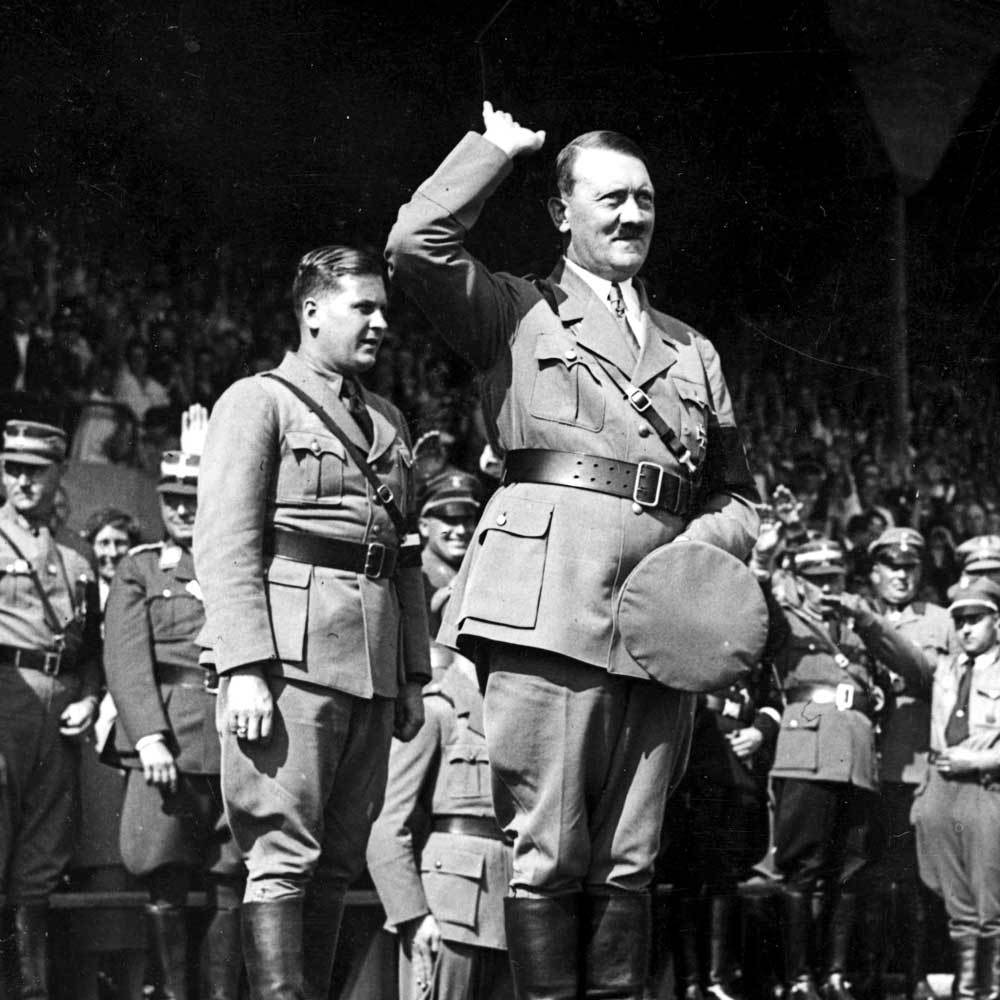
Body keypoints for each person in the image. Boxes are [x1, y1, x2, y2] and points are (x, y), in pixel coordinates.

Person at [386, 102, 759, 998]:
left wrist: (690, 558)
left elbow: (738, 496)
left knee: (631, 858)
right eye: (610, 199)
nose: (632, 216)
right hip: (550, 608)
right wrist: (494, 153)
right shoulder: (516, 311)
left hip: (664, 626)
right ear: (561, 212)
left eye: (645, 200)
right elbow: (413, 247)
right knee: (549, 851)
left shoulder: (693, 351)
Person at [193, 245, 431, 1000]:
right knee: (281, 853)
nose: (380, 323)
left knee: (338, 860)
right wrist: (242, 666)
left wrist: (413, 674)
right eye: (364, 307)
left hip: (372, 667)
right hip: (289, 664)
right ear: (312, 312)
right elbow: (225, 543)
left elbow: (405, 556)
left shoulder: (387, 419)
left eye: (384, 309)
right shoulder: (257, 401)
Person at [103, 409, 244, 1000]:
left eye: (193, 498)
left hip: (232, 738)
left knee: (229, 878)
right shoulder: (140, 568)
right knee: (163, 878)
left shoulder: (236, 564)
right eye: (172, 499)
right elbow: (126, 660)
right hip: (169, 743)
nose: (183, 509)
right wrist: (149, 737)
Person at [752, 537, 930, 1000]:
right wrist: (765, 564)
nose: (827, 588)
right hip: (808, 755)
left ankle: (834, 976)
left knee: (848, 869)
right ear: (800, 582)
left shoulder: (860, 627)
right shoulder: (788, 620)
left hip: (856, 760)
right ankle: (798, 978)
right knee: (803, 870)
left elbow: (915, 667)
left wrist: (865, 618)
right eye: (817, 580)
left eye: (835, 578)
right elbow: (760, 612)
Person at [367, 470, 514, 1000]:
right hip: (446, 910)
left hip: (509, 911)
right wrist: (412, 915)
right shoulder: (437, 711)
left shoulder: (515, 715)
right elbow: (389, 825)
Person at [0, 419, 101, 999]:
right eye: (12, 469)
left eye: (35, 471)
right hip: (6, 707)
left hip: (59, 713)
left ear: (60, 473)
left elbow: (92, 647)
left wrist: (89, 697)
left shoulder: (78, 556)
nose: (22, 481)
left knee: (40, 861)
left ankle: (31, 992)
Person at [863, 528, 956, 1000]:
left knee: (914, 880)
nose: (901, 576)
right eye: (892, 567)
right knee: (864, 877)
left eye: (910, 567)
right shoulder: (850, 615)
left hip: (913, 766)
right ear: (874, 572)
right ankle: (867, 975)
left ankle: (916, 975)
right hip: (861, 764)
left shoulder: (942, 621)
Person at [911, 577, 1000, 1000]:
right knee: (956, 900)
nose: (965, 629)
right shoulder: (945, 668)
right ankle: (967, 989)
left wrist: (981, 760)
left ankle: (991, 988)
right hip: (943, 789)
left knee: (991, 897)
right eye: (959, 620)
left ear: (997, 622)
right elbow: (897, 651)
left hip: (986, 787)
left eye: (975, 619)